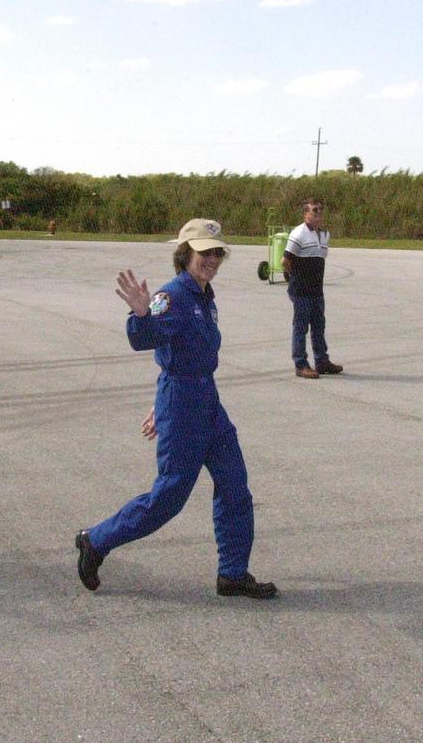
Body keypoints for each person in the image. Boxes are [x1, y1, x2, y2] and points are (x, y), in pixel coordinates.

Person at [75, 219, 276, 599]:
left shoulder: (204, 294)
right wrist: (140, 314)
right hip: (183, 407)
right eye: (204, 252)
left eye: (217, 252)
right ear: (185, 255)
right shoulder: (173, 296)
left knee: (235, 487)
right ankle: (95, 540)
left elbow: (181, 353)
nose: (212, 259)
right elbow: (146, 339)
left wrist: (164, 397)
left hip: (207, 402)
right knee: (168, 498)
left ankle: (232, 574)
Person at [282, 198, 343, 379]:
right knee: (301, 328)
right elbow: (285, 261)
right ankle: (301, 364)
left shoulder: (325, 235)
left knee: (319, 326)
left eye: (320, 211)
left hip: (317, 290)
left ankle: (322, 361)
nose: (318, 214)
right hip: (300, 290)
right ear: (305, 214)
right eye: (314, 211)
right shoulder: (298, 234)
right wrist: (296, 277)